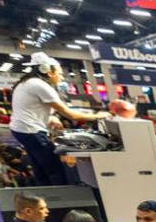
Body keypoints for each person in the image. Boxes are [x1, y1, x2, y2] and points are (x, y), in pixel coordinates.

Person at [9, 52, 104, 186]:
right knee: (55, 168)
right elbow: (71, 115)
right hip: (31, 131)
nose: (61, 76)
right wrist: (99, 116)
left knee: (40, 168)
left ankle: (48, 195)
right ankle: (62, 198)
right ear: (48, 71)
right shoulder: (40, 86)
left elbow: (31, 108)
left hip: (22, 130)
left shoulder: (26, 83)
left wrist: (51, 117)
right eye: (59, 73)